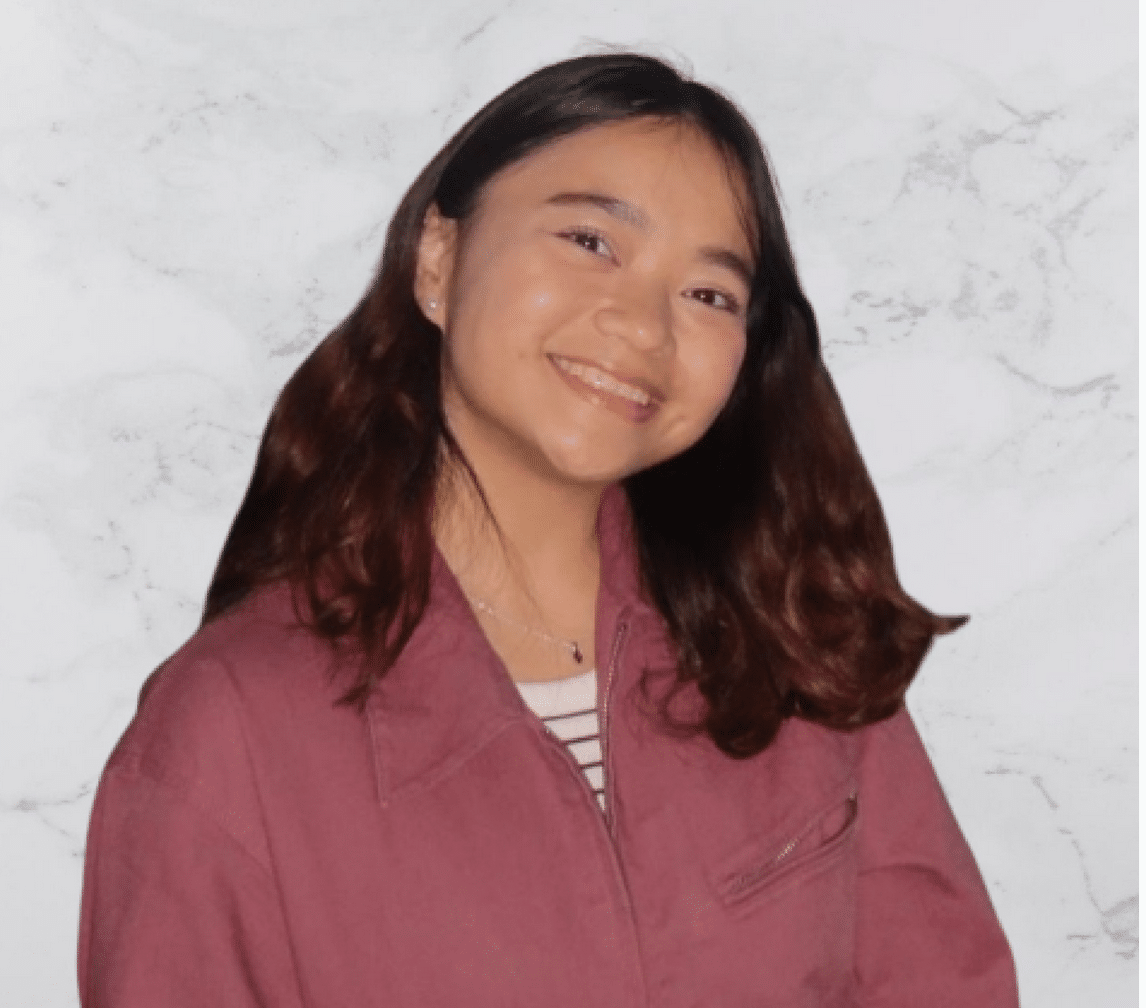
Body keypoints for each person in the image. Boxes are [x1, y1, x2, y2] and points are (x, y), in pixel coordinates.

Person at [77, 52, 1020, 1006]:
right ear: (438, 260)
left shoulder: (796, 649)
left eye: (708, 294)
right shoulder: (227, 726)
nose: (645, 325)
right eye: (591, 241)